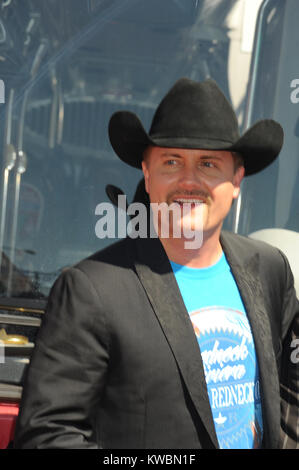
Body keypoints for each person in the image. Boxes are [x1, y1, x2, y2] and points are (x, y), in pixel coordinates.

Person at [14, 78, 298, 449]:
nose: (189, 181)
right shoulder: (91, 290)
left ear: (236, 179)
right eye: (171, 161)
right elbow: (44, 435)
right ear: (147, 176)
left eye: (208, 164)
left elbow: (292, 381)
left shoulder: (268, 267)